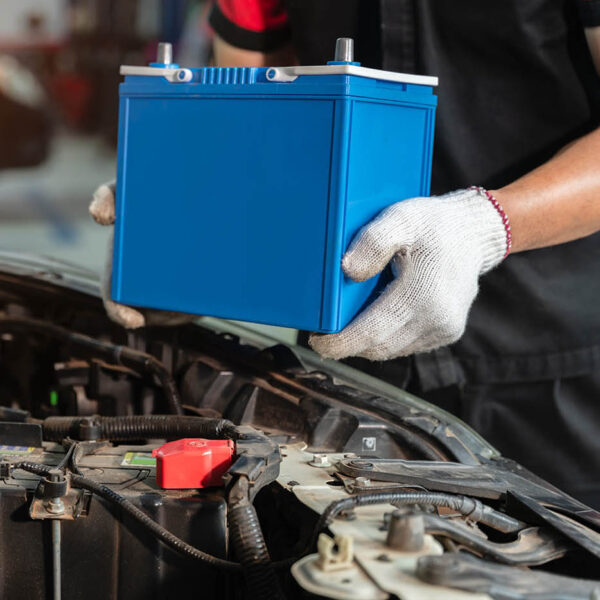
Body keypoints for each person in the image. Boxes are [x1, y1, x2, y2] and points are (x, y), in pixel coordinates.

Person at [93, 1, 600, 508]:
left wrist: (489, 224)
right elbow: (250, 122)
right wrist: (187, 215)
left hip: (549, 364)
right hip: (343, 355)